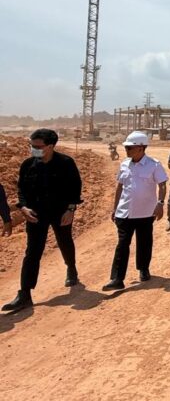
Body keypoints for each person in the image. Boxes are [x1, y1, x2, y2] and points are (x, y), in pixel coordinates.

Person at [2, 129, 82, 312]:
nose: (33, 150)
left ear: (51, 146)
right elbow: (21, 189)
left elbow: (75, 188)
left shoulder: (66, 163)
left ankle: (71, 267)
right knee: (32, 252)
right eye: (31, 146)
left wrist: (70, 209)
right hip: (36, 214)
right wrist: (23, 207)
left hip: (61, 212)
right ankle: (24, 294)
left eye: (37, 147)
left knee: (64, 241)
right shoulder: (28, 165)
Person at [103, 131, 167, 291]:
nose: (127, 150)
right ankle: (117, 278)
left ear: (141, 148)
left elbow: (162, 184)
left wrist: (160, 203)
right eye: (126, 147)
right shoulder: (124, 164)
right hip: (124, 212)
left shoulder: (154, 164)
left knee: (144, 242)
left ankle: (143, 269)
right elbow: (120, 187)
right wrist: (115, 207)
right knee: (122, 244)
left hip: (145, 212)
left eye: (130, 147)